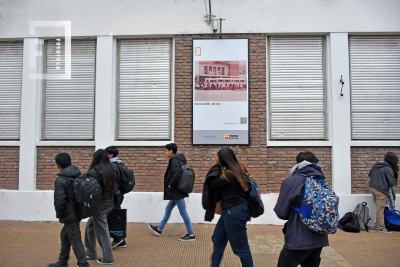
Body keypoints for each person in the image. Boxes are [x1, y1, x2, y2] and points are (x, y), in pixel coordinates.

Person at [274, 151, 329, 267]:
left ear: (298, 164)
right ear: (315, 163)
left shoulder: (291, 182)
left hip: (298, 237)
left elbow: (281, 212)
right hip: (319, 235)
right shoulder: (322, 180)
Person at [208, 147, 253, 267]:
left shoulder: (229, 174)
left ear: (222, 158)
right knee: (218, 238)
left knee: (241, 248)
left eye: (217, 156)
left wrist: (217, 164)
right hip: (232, 211)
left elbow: (213, 184)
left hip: (234, 212)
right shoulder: (238, 169)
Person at [48, 153, 90, 267]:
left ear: (57, 166)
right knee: (64, 235)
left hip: (69, 214)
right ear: (71, 163)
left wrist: (59, 214)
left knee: (75, 240)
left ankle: (83, 264)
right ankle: (62, 261)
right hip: (78, 211)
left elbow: (59, 200)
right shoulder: (79, 175)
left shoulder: (61, 181)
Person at [147, 143, 195, 241]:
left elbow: (177, 173)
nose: (165, 153)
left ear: (171, 151)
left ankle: (191, 234)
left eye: (166, 151)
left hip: (176, 191)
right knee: (168, 208)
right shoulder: (179, 159)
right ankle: (159, 229)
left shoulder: (174, 160)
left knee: (183, 211)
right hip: (176, 191)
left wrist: (170, 185)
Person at [84, 149, 116, 265]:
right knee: (90, 226)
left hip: (99, 206)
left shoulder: (95, 171)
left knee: (102, 232)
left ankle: (108, 258)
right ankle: (91, 251)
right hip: (108, 204)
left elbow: (90, 188)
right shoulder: (110, 169)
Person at [369, 152, 398, 234]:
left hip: (373, 188)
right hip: (381, 190)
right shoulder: (388, 169)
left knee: (379, 208)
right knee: (381, 209)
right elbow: (392, 182)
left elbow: (370, 174)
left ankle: (376, 225)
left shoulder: (376, 166)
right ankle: (381, 228)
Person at [105, 146, 127, 248]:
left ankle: (119, 238)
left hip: (113, 195)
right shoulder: (120, 164)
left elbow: (111, 182)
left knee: (113, 216)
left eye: (106, 154)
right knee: (117, 214)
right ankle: (120, 239)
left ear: (111, 155)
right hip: (119, 194)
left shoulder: (112, 166)